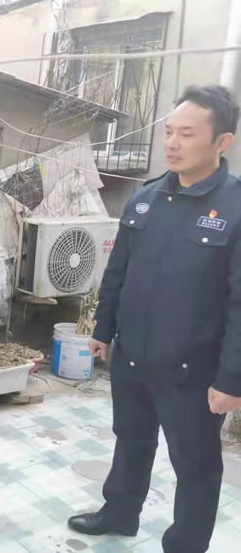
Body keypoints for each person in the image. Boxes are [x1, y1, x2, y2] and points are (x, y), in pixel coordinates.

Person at [67, 85, 241, 553]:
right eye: (168, 132)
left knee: (196, 465)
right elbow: (117, 271)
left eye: (187, 134)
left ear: (222, 142)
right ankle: (120, 513)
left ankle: (185, 545)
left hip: (192, 372)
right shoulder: (145, 198)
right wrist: (103, 330)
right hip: (133, 359)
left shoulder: (235, 207)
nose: (173, 143)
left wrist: (232, 379)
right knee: (131, 440)